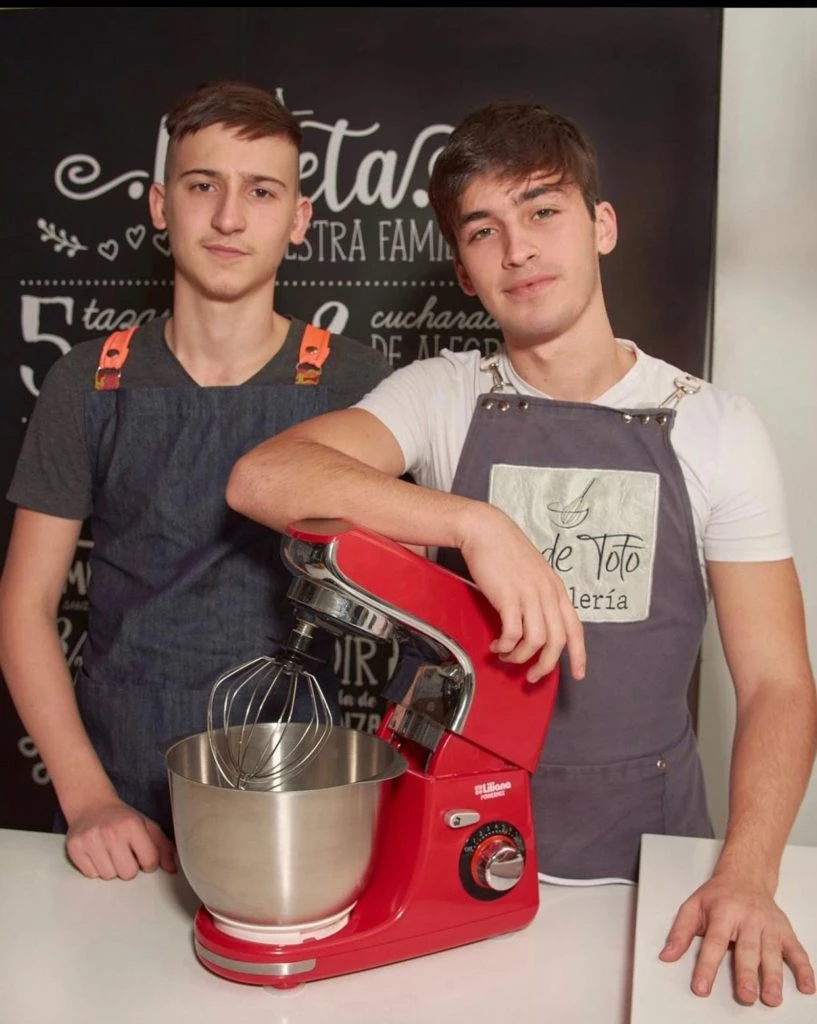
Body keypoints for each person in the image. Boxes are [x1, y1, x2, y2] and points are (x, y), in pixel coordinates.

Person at [225, 100, 817, 1007]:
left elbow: (777, 682)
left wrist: (746, 872)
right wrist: (474, 523)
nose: (518, 250)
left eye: (543, 210)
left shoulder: (713, 424)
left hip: (649, 867)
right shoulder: (441, 395)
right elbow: (262, 477)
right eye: (483, 230)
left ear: (600, 225)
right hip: (439, 849)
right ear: (463, 273)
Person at [0, 80, 389, 883]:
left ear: (299, 219)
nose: (229, 218)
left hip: (293, 778)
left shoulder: (356, 383)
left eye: (261, 191)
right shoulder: (88, 382)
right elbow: (25, 605)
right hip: (119, 787)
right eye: (203, 185)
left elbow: (412, 588)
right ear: (160, 205)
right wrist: (88, 798)